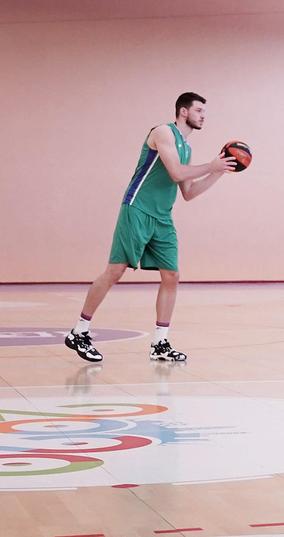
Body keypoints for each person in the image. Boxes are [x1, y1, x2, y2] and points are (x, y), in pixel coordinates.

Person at [64, 93, 237, 364]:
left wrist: (218, 171)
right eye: (199, 110)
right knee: (115, 271)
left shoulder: (187, 149)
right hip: (137, 208)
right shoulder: (162, 133)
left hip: (162, 217)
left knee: (172, 276)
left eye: (205, 111)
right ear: (183, 111)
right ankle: (79, 331)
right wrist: (210, 165)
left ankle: (160, 343)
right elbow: (177, 173)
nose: (204, 115)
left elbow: (189, 192)